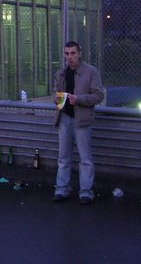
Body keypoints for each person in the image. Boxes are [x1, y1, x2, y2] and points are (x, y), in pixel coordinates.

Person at [52, 40, 104, 205]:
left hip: (82, 119)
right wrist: (57, 99)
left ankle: (86, 192)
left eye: (73, 53)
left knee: (85, 158)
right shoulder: (61, 73)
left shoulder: (91, 72)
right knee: (63, 157)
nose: (70, 57)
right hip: (65, 117)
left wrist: (79, 99)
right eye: (67, 54)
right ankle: (61, 189)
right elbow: (57, 93)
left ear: (79, 53)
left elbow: (98, 95)